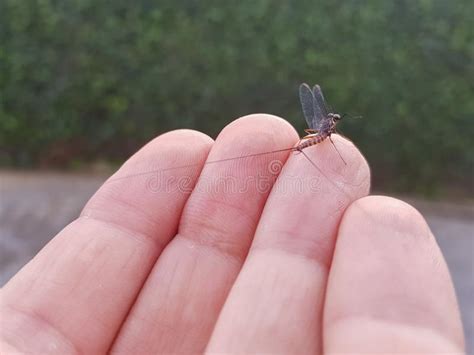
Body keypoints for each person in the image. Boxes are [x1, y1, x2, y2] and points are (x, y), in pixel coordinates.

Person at [0, 115, 464, 353]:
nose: (331, 125)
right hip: (308, 149)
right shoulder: (322, 137)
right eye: (330, 125)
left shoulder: (327, 136)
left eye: (331, 124)